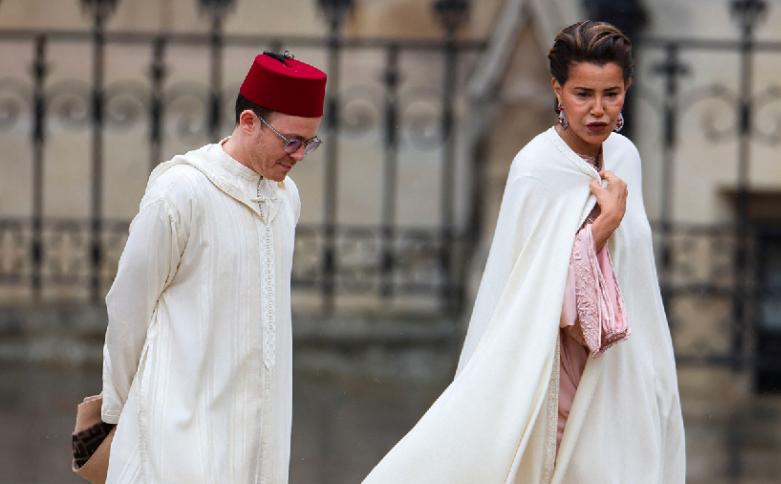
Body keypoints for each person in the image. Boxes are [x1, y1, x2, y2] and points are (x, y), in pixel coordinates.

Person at [360, 21, 685, 484]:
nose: (597, 110)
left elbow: (637, 279)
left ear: (627, 89)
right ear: (557, 89)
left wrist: (653, 373)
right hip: (555, 373)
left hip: (623, 369)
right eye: (582, 94)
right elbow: (533, 293)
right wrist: (603, 226)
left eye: (611, 94)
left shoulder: (626, 157)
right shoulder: (535, 168)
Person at [99, 51, 326, 483]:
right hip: (177, 437)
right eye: (291, 140)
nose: (299, 155)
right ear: (248, 121)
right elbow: (128, 309)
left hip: (262, 436)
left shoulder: (286, 197)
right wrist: (115, 415)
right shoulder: (180, 192)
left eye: (310, 143)